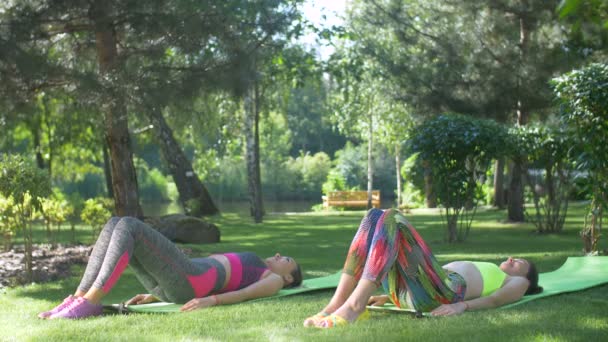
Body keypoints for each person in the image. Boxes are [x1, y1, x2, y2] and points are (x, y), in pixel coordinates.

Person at [304, 208, 542, 328]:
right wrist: (386, 297)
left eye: (519, 262)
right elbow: (422, 275)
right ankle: (337, 304)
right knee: (374, 215)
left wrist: (463, 305)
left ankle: (353, 306)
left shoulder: (518, 283)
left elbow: (496, 301)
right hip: (419, 289)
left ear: (526, 277)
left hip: (445, 292)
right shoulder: (497, 269)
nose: (513, 259)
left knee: (392, 217)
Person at [38, 216, 302, 319]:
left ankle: (90, 302)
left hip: (189, 281)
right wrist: (154, 295)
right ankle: (78, 298)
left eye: (287, 260)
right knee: (114, 224)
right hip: (177, 281)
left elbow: (244, 294)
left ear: (288, 278)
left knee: (129, 226)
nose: (280, 256)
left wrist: (211, 301)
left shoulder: (274, 280)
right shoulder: (260, 265)